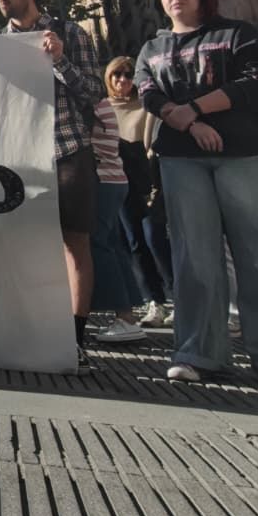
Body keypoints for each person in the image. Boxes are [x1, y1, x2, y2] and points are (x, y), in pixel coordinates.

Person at [136, 0, 258, 387]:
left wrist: (197, 108)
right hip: (181, 158)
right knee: (194, 257)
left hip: (248, 154)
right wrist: (191, 123)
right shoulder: (152, 48)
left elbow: (255, 80)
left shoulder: (237, 33)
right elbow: (148, 94)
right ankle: (197, 351)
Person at [0, 0, 101, 372]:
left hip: (68, 147)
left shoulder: (71, 34)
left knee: (75, 244)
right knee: (13, 243)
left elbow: (93, 91)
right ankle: (27, 329)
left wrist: (59, 61)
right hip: (18, 157)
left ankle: (74, 338)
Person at [105, 57, 172, 326]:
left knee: (156, 238)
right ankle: (153, 301)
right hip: (119, 182)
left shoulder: (147, 107)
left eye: (129, 74)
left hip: (149, 181)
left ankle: (176, 296)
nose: (123, 80)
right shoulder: (102, 108)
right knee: (132, 242)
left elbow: (152, 145)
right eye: (117, 74)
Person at [89, 95, 147, 343]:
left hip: (100, 179)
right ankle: (127, 314)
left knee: (98, 245)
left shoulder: (86, 100)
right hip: (114, 178)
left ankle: (123, 314)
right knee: (112, 246)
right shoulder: (100, 101)